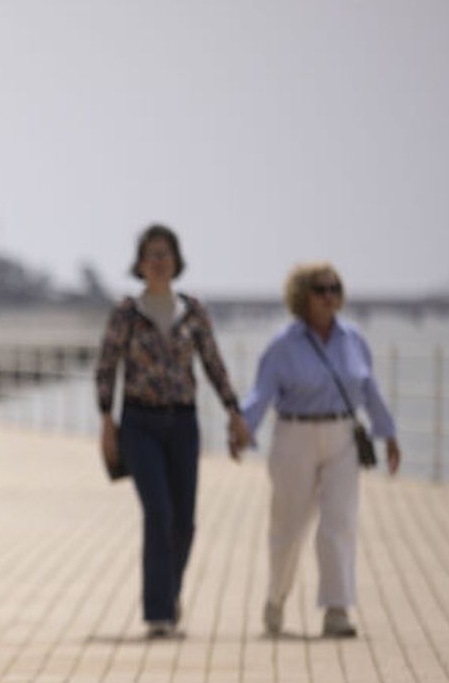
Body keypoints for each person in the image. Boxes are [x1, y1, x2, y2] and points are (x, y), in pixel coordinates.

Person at [96, 224, 250, 638]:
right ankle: (158, 614)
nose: (159, 261)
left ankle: (170, 592)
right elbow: (107, 365)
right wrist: (106, 421)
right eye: (151, 254)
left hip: (183, 423)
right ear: (140, 264)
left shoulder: (193, 311)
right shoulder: (127, 313)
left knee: (185, 521)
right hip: (140, 423)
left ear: (176, 261)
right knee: (158, 513)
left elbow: (213, 364)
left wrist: (234, 412)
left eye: (165, 254)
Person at [235, 263, 400, 638]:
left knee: (339, 522)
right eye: (321, 289)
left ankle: (337, 609)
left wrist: (388, 433)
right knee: (288, 527)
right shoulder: (283, 344)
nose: (329, 297)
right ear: (302, 296)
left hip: (342, 435)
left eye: (335, 288)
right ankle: (276, 599)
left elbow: (369, 388)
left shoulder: (353, 339)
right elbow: (262, 393)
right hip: (295, 435)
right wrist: (243, 428)